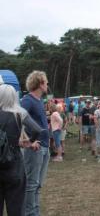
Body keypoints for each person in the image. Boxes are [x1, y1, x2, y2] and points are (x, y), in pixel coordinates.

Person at [0, 84, 43, 216]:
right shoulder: (19, 113)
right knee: (16, 208)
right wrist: (29, 141)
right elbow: (37, 130)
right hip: (14, 164)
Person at [20, 70, 50, 216]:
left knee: (38, 185)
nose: (47, 84)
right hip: (35, 148)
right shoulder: (27, 100)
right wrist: (28, 141)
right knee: (31, 185)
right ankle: (29, 213)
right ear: (40, 83)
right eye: (46, 82)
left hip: (45, 147)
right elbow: (17, 119)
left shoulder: (39, 101)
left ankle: (35, 213)